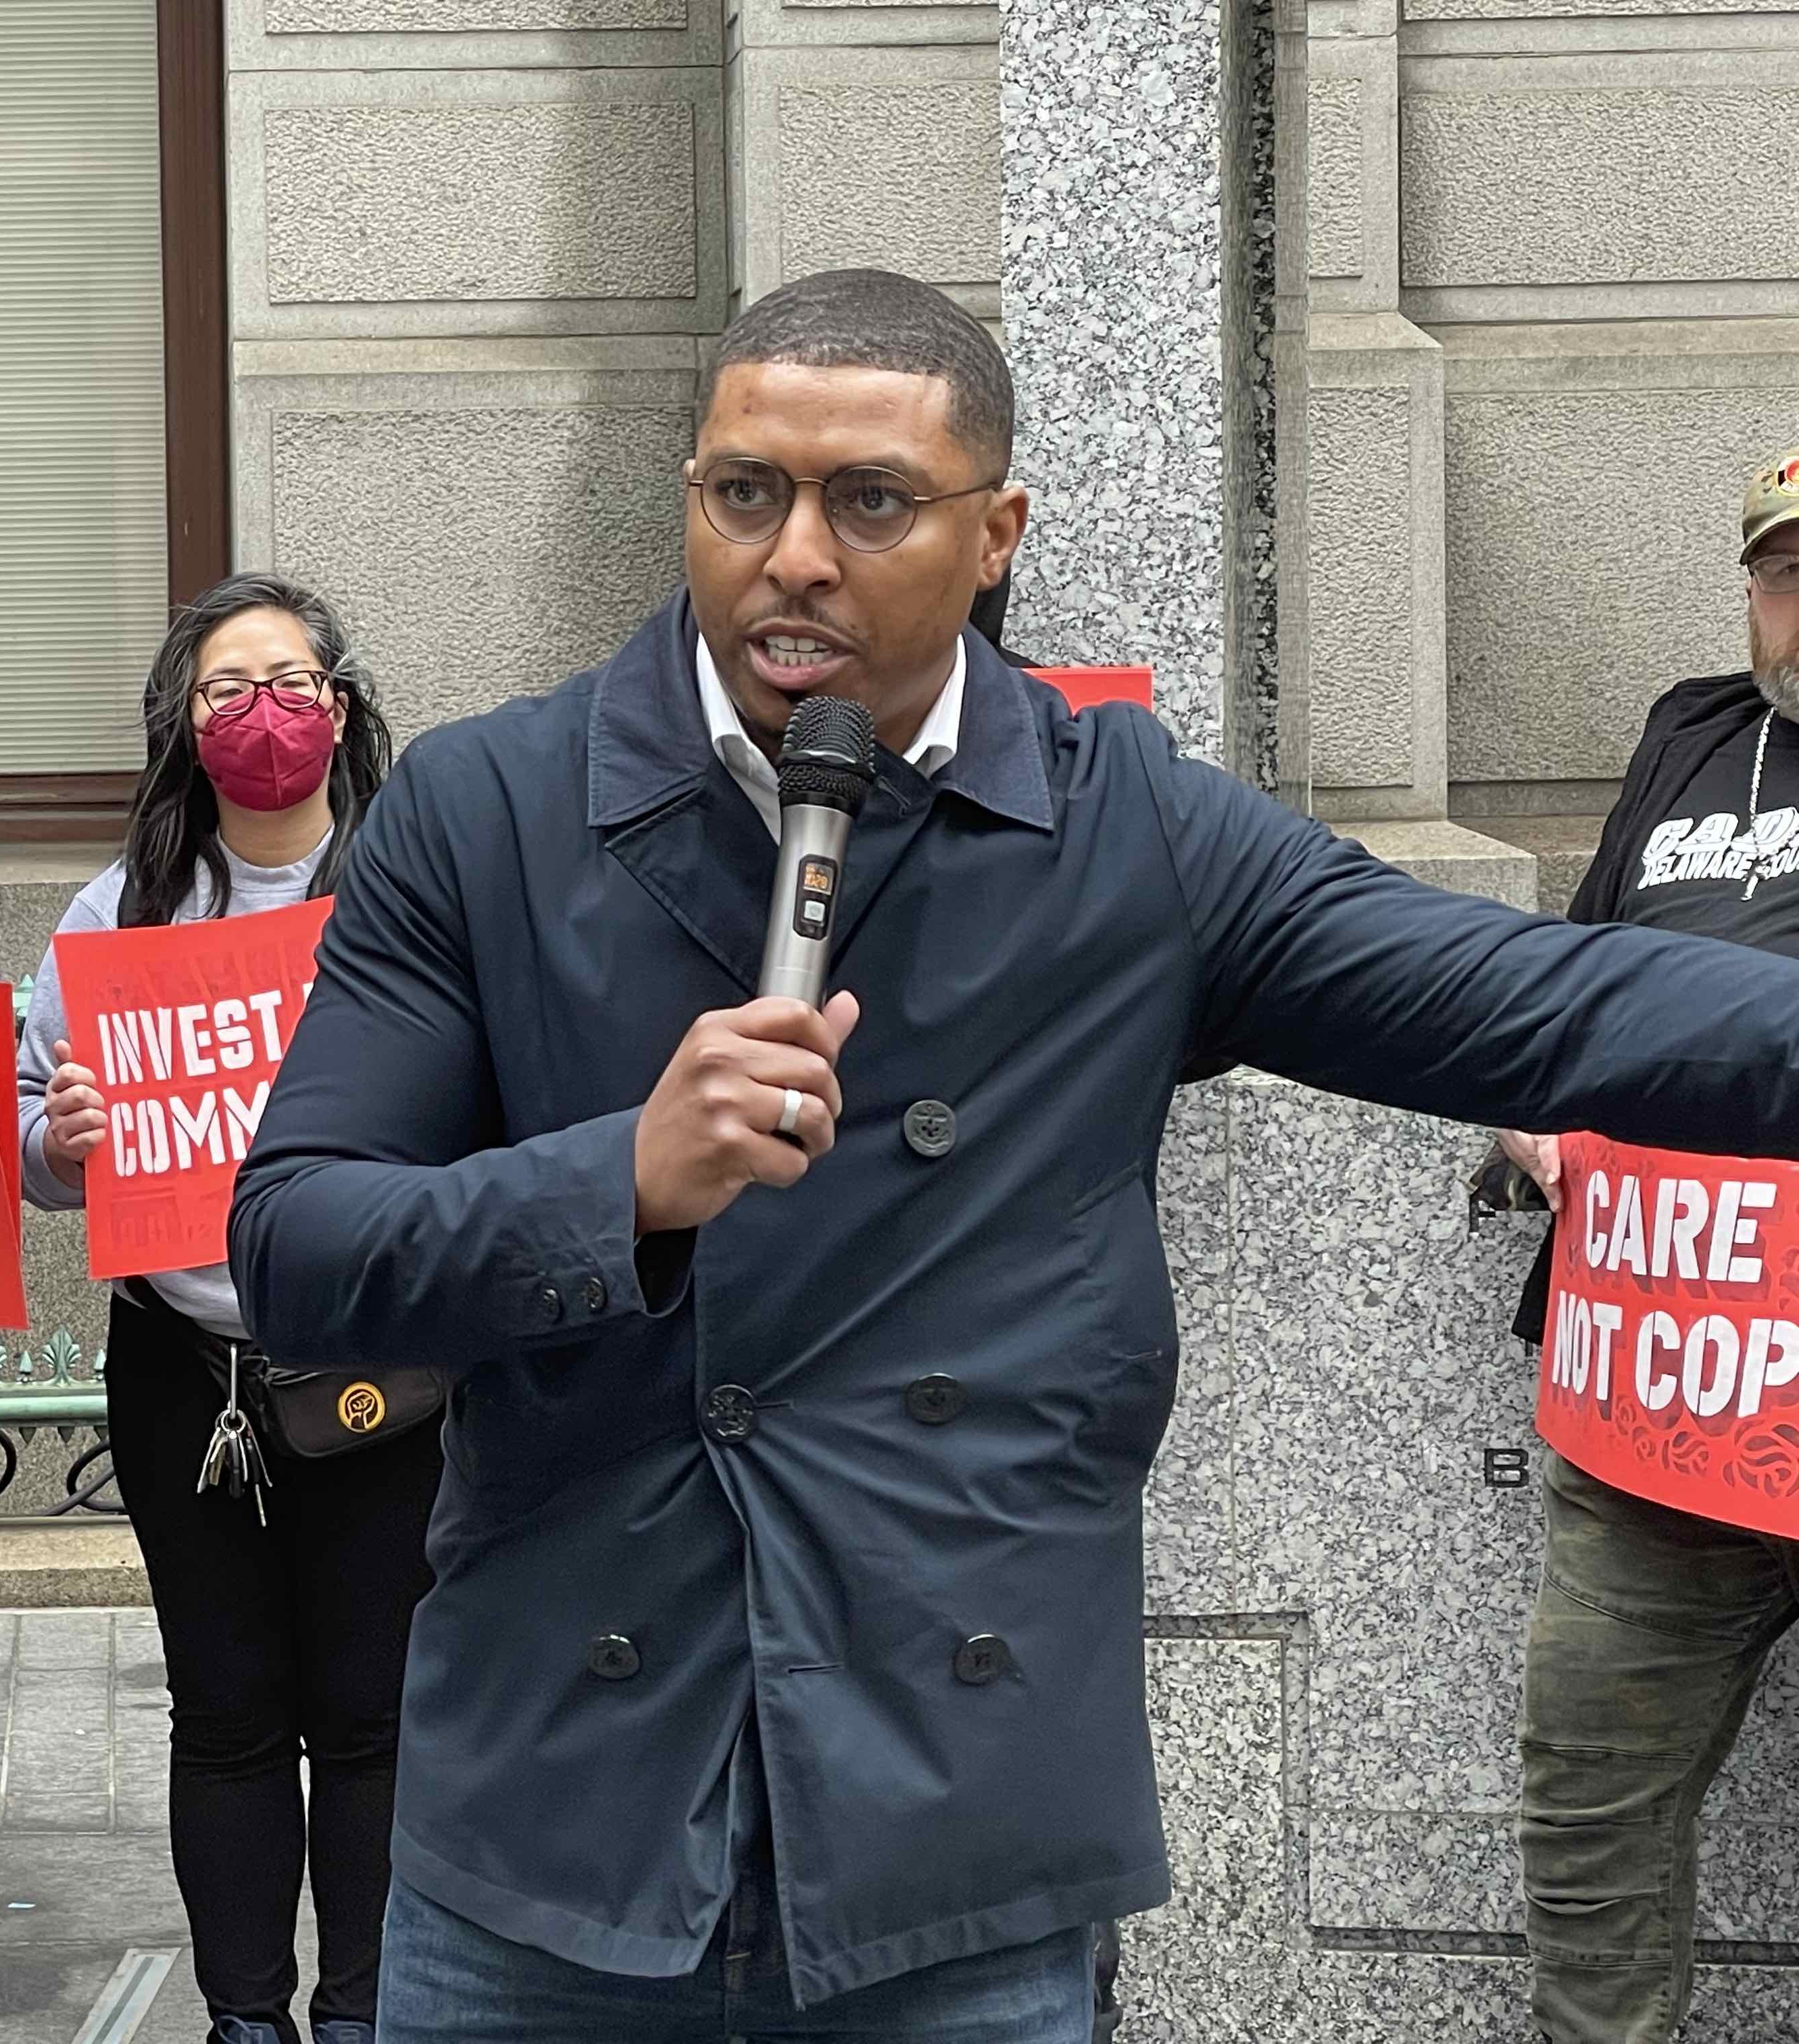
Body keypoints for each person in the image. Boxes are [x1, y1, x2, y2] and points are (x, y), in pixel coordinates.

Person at [226, 268, 1799, 2043]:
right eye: (745, 492)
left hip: (954, 1847)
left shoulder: (1123, 830)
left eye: (869, 501)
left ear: (997, 534)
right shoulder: (490, 809)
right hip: (558, 1841)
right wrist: (622, 1183)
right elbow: (299, 1243)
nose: (795, 556)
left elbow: (1544, 1004)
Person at [18, 573, 432, 2044]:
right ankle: (245, 2017)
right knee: (229, 1709)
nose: (264, 715)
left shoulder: (411, 884)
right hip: (187, 1371)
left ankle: (368, 2015)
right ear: (184, 728)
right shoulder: (117, 914)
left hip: (386, 1368)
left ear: (340, 705)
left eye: (292, 684)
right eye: (227, 690)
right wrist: (55, 1142)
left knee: (376, 1720)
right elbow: (27, 1130)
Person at [1493, 447, 1799, 2044]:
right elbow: (1571, 996)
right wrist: (1526, 1105)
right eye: (1789, 574)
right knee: (1591, 1820)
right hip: (1658, 1411)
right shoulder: (1692, 742)